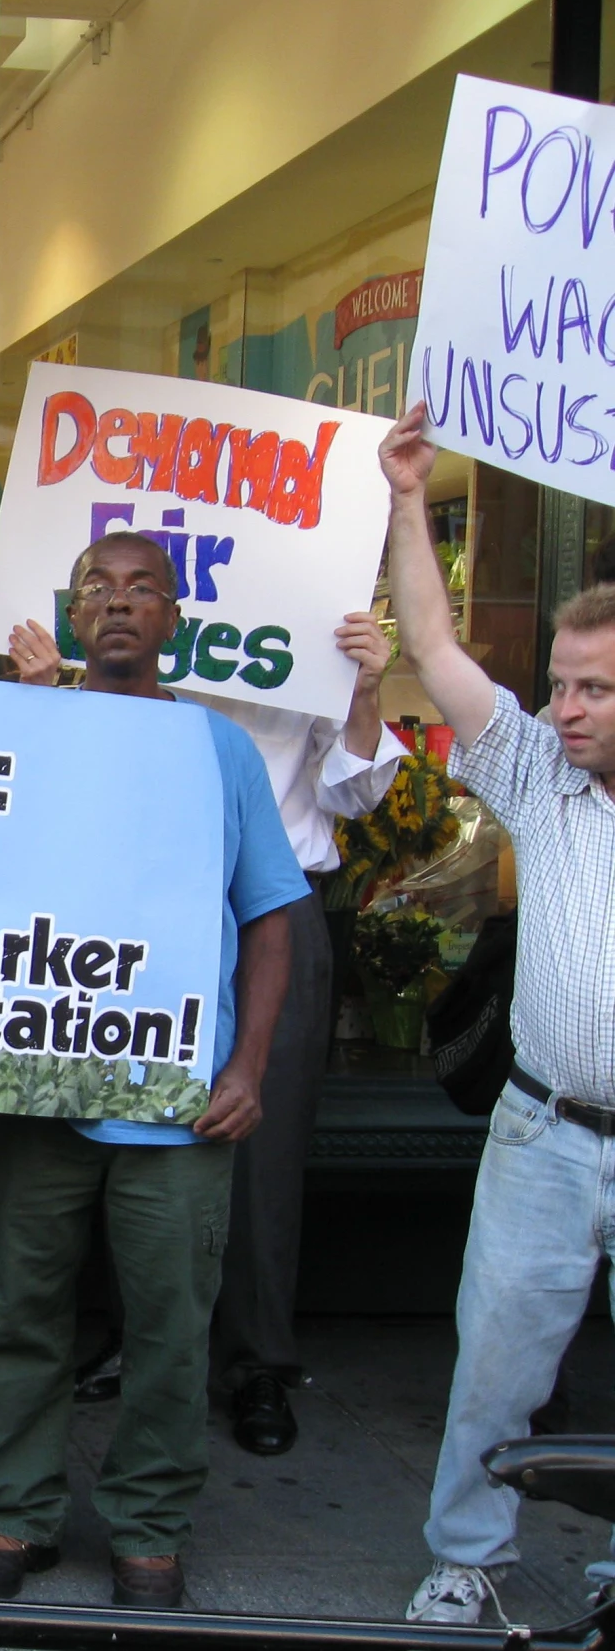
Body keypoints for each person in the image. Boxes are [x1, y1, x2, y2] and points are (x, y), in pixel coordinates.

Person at [0, 530, 303, 1611]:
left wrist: (246, 1066)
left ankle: (147, 1527)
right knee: (20, 1317)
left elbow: (271, 916)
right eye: (94, 588)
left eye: (140, 590)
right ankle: (16, 1513)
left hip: (179, 1107)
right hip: (38, 1095)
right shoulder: (21, 731)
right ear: (66, 614)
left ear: (171, 621)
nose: (115, 604)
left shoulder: (216, 749)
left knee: (166, 1329)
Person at [11, 591, 403, 1458]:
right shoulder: (115, 672)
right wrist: (44, 699)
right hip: (135, 910)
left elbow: (359, 795)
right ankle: (126, 1336)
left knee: (255, 1145)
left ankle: (258, 1362)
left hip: (273, 903)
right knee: (125, 1127)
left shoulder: (310, 639)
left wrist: (367, 688)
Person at [380, 402, 615, 1624]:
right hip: (540, 1136)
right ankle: (465, 1555)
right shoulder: (537, 779)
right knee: (495, 1372)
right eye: (561, 685)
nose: (564, 708)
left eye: (594, 690)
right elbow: (431, 645)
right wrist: (409, 499)